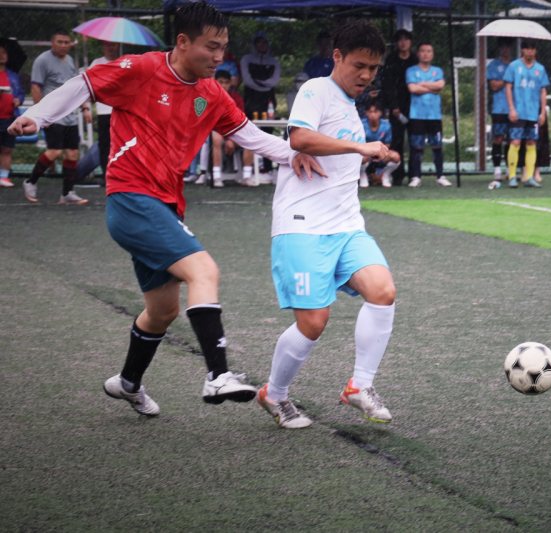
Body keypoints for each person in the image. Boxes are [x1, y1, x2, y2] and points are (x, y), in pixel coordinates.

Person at [7, 1, 322, 417]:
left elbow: (249, 136)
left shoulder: (211, 92)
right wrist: (39, 115)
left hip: (166, 206)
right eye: (211, 47)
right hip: (131, 198)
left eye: (223, 48)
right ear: (183, 42)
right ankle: (218, 374)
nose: (218, 57)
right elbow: (84, 84)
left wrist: (295, 155)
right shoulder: (140, 69)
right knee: (204, 271)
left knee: (162, 311)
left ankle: (127, 383)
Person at [256, 20, 396, 429]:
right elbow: (299, 137)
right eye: (359, 65)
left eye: (373, 68)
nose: (366, 75)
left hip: (347, 225)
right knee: (313, 323)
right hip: (301, 225)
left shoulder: (350, 106)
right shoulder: (316, 90)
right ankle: (274, 394)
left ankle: (359, 386)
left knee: (383, 291)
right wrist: (360, 146)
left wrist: (373, 153)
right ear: (337, 57)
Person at [24, 29, 92, 205]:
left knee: (72, 153)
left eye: (66, 42)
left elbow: (76, 87)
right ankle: (30, 182)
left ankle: (67, 193)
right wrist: (40, 115)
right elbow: (36, 87)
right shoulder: (42, 60)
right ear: (52, 43)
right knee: (54, 151)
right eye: (60, 42)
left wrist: (85, 107)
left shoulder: (70, 61)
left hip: (69, 115)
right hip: (52, 115)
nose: (63, 45)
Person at [503, 39, 549, 189]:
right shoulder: (514, 66)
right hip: (518, 112)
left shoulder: (540, 69)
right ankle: (512, 176)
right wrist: (511, 108)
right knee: (515, 142)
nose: (530, 51)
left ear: (535, 51)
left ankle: (529, 177)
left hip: (533, 113)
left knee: (531, 143)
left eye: (532, 49)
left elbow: (543, 91)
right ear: (522, 50)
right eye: (527, 49)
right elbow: (508, 87)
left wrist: (542, 112)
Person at [406, 41, 450, 188]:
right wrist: (432, 87)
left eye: (429, 51)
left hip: (434, 116)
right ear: (418, 53)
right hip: (417, 115)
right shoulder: (411, 70)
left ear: (432, 54)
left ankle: (440, 176)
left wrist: (422, 84)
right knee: (416, 147)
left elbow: (440, 85)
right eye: (423, 51)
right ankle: (416, 177)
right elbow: (412, 89)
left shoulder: (437, 71)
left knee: (437, 146)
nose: (425, 54)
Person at [240, 31, 280, 178]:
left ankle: (267, 168)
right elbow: (247, 80)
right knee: (249, 132)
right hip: (251, 100)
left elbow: (274, 81)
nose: (262, 45)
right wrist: (262, 84)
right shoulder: (246, 59)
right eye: (259, 42)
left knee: (268, 132)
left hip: (268, 101)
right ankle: (248, 169)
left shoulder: (274, 61)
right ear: (255, 44)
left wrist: (260, 83)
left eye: (265, 42)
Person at [381, 29, 415, 186]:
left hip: (414, 107)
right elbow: (388, 85)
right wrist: (394, 106)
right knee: (397, 141)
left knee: (415, 141)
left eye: (406, 39)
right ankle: (397, 175)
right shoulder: (391, 59)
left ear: (410, 42)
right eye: (400, 39)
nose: (403, 42)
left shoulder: (415, 59)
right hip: (397, 108)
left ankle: (414, 175)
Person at [210, 69, 256, 187]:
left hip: (234, 132)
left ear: (230, 83)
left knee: (250, 139)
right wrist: (227, 138)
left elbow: (240, 119)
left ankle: (247, 177)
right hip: (217, 131)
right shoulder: (210, 97)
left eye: (226, 82)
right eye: (221, 82)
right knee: (216, 139)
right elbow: (212, 121)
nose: (224, 85)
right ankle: (216, 177)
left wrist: (231, 139)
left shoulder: (236, 98)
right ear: (215, 82)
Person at [88, 40, 120, 184]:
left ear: (117, 46)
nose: (110, 48)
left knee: (120, 144)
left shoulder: (124, 62)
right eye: (107, 45)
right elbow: (89, 85)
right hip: (103, 112)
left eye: (113, 45)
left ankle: (120, 174)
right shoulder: (97, 63)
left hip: (120, 111)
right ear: (103, 46)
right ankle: (106, 175)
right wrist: (86, 107)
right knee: (105, 144)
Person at [487, 37, 513, 190]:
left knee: (512, 140)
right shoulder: (493, 65)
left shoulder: (516, 65)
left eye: (507, 47)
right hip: (499, 108)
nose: (505, 49)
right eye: (502, 47)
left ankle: (510, 170)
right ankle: (497, 170)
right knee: (498, 138)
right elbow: (494, 85)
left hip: (514, 109)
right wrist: (507, 80)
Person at [0, 41, 24, 188]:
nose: (2, 56)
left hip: (9, 118)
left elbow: (20, 93)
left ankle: (4, 177)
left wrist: (18, 100)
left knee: (7, 148)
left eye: (4, 53)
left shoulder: (13, 76)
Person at [360, 99, 400, 188]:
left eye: (375, 112)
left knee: (395, 156)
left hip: (381, 153)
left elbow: (387, 144)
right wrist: (370, 153)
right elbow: (360, 144)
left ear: (380, 113)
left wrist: (379, 154)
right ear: (366, 113)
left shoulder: (386, 125)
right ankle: (363, 176)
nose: (373, 114)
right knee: (360, 158)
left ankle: (385, 176)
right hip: (366, 154)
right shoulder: (361, 124)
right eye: (370, 112)